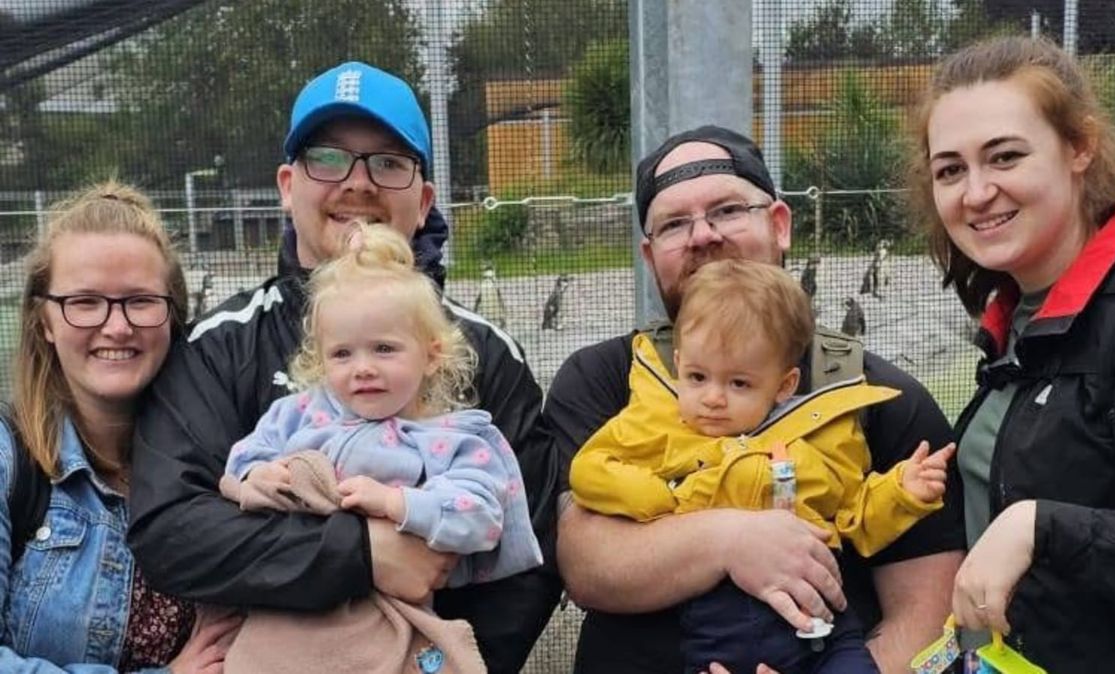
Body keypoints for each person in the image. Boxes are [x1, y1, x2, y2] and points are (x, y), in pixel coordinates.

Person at [127, 61, 562, 674]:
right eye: (327, 159)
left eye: (388, 162)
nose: (357, 184)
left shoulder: (487, 353)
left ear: (425, 197)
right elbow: (172, 528)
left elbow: (527, 557)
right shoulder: (213, 346)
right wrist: (361, 551)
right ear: (286, 184)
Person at [546, 125, 965, 674]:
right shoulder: (603, 378)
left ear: (779, 225)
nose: (702, 235)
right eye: (674, 223)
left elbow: (928, 613)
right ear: (650, 257)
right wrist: (729, 539)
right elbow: (585, 564)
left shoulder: (875, 395)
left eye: (726, 210)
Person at [909, 36, 1115, 673]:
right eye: (950, 169)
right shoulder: (1019, 316)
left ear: (1079, 147)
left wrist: (1041, 527)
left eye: (1005, 156)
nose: (977, 192)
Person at [570, 258, 955, 673]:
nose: (714, 397)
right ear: (679, 365)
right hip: (720, 629)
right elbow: (591, 469)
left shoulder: (814, 445)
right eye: (697, 377)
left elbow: (852, 520)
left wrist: (901, 491)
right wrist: (655, 498)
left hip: (823, 626)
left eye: (738, 384)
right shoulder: (657, 430)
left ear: (784, 385)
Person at [0, 181, 242, 672]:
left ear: (174, 316)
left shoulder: (233, 453)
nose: (117, 326)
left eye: (140, 301)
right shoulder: (10, 461)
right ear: (43, 321)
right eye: (85, 302)